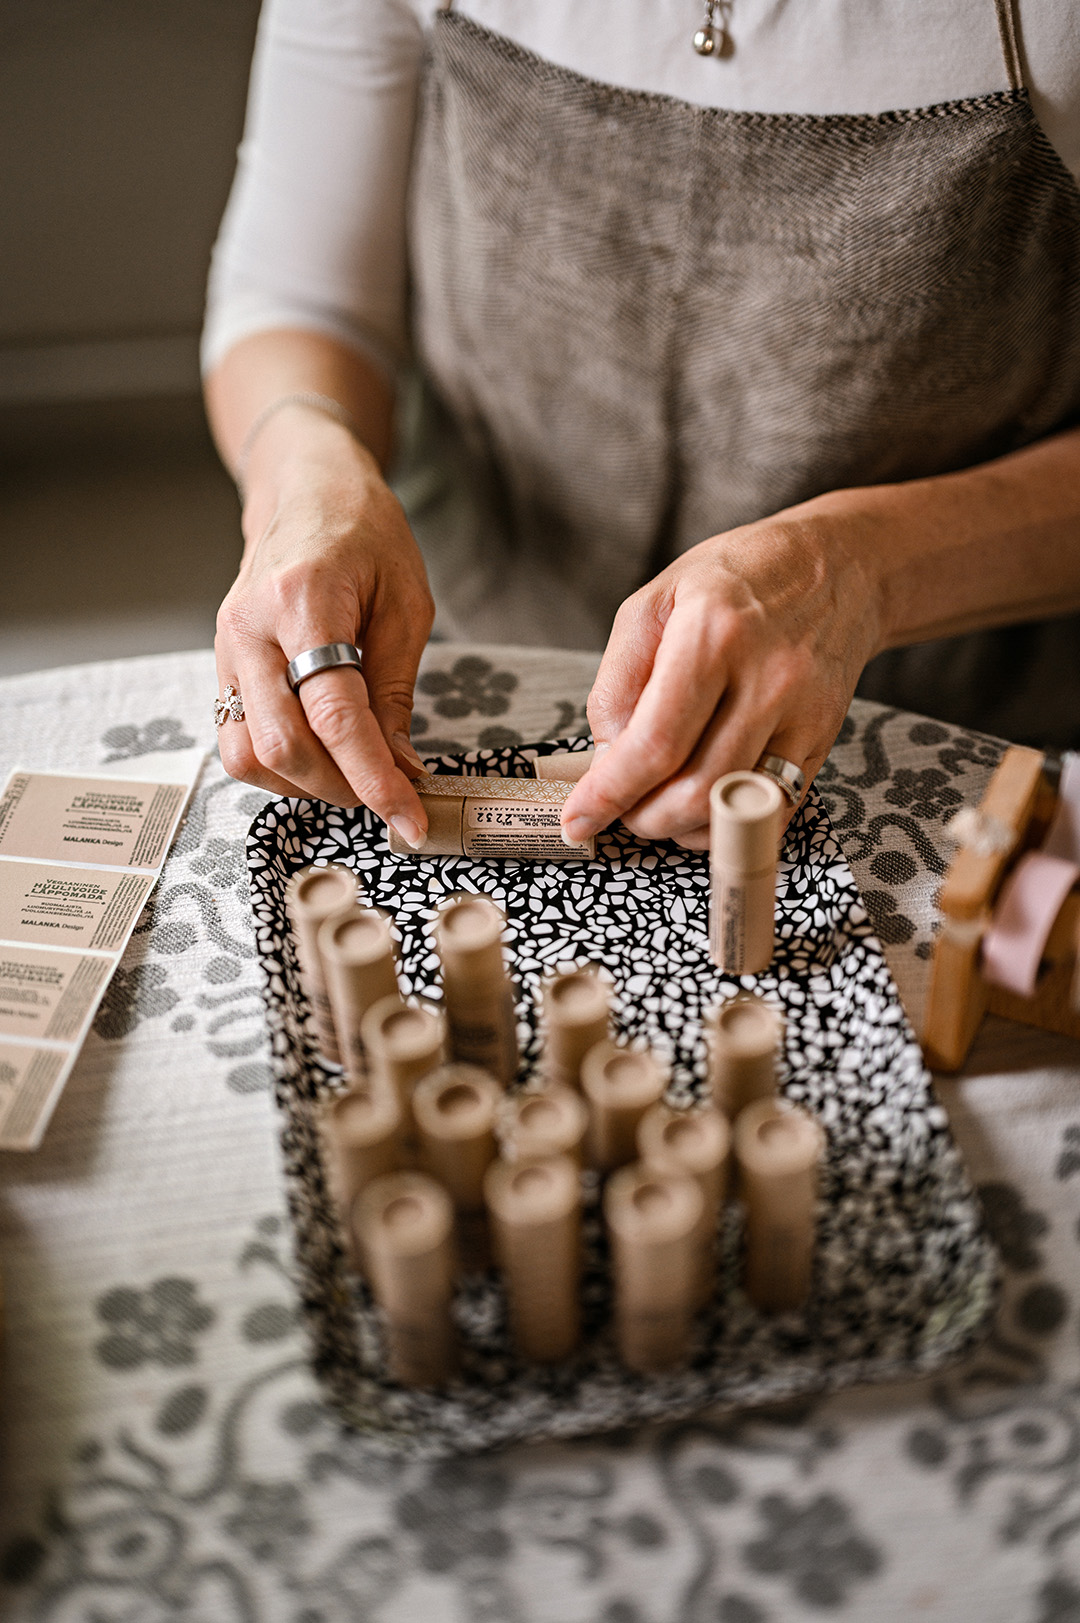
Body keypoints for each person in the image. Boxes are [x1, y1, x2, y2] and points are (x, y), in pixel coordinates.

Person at [202, 0, 1080, 854]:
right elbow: (297, 300)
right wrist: (306, 467)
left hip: (945, 756)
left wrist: (860, 571)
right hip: (469, 681)